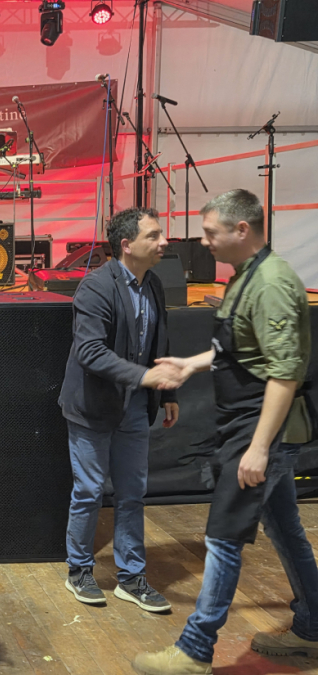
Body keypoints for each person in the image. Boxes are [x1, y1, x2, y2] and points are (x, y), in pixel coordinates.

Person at [134, 189, 318, 675]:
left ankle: (195, 650)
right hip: (247, 426)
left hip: (259, 431)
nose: (203, 241)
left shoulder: (272, 283)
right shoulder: (245, 275)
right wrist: (191, 364)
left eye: (210, 232)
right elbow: (239, 347)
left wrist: (259, 448)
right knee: (285, 529)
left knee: (223, 536)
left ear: (242, 229)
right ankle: (313, 627)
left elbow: (285, 375)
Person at [58, 207, 181, 613]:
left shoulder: (154, 284)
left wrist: (167, 394)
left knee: (132, 494)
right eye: (154, 235)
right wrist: (145, 377)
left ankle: (131, 578)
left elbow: (159, 340)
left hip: (135, 407)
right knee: (89, 491)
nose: (163, 242)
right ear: (127, 245)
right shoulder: (95, 287)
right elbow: (90, 351)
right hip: (93, 407)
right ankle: (79, 570)